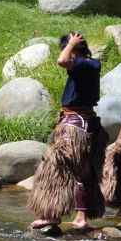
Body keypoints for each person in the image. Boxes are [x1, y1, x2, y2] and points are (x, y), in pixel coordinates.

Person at [27, 32, 108, 229]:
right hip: (86, 123)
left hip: (74, 126)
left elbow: (61, 61)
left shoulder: (84, 64)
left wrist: (71, 44)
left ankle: (52, 215)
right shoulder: (90, 65)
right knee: (85, 172)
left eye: (68, 49)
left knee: (55, 167)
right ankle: (81, 218)